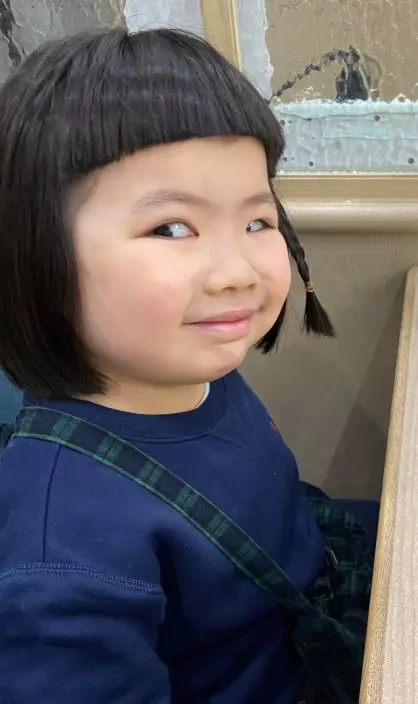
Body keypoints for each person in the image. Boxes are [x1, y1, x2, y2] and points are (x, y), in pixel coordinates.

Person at [0, 28, 377, 703]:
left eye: (257, 222)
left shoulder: (186, 370)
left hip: (312, 604)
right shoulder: (59, 551)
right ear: (34, 253)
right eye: (172, 228)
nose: (237, 272)